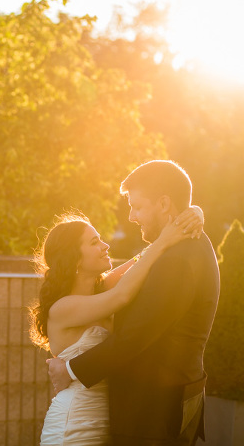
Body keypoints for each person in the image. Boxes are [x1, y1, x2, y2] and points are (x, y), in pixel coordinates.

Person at [46, 160, 220, 446]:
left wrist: (70, 370)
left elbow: (136, 336)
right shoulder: (180, 247)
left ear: (164, 204)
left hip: (153, 415)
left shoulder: (177, 259)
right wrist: (188, 216)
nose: (131, 217)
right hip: (143, 412)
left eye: (137, 207)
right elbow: (126, 283)